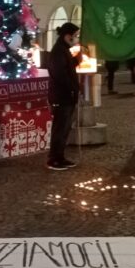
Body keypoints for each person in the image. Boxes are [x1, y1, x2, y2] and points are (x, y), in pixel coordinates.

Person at [47, 22, 81, 170]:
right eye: (75, 36)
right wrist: (73, 88)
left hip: (67, 96)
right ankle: (54, 159)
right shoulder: (58, 50)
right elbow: (60, 74)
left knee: (65, 128)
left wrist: (76, 59)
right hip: (62, 96)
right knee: (60, 129)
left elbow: (67, 66)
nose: (76, 38)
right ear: (67, 36)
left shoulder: (64, 49)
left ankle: (60, 157)